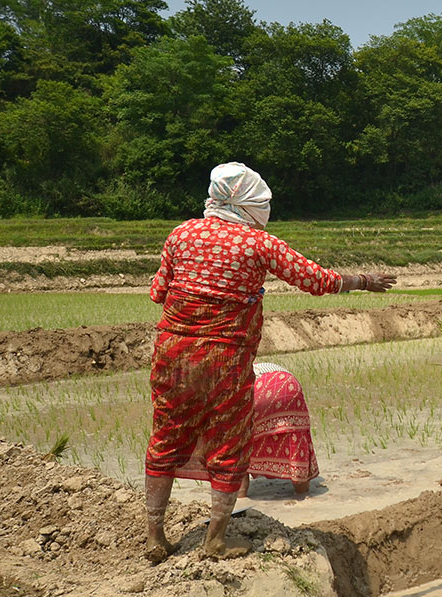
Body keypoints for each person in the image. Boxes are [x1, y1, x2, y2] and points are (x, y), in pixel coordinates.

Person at [142, 162, 395, 562]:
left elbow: (158, 292)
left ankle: (155, 536)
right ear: (248, 203)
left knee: (165, 437)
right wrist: (363, 280)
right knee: (228, 443)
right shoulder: (259, 244)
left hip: (173, 355)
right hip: (225, 358)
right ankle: (216, 541)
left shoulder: (181, 234)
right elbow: (317, 280)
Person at [174, 362, 320, 498]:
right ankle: (302, 495)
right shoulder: (226, 376)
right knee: (294, 439)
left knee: (237, 448)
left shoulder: (214, 392)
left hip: (259, 388)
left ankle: (241, 497)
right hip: (288, 384)